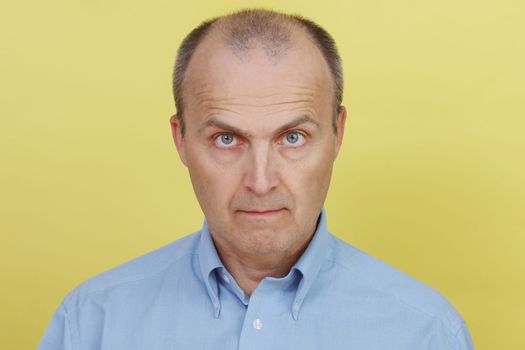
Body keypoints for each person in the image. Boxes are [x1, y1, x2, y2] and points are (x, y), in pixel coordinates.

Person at [39, 9, 474, 350]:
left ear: (338, 133)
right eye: (227, 138)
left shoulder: (426, 333)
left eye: (292, 137)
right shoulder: (92, 323)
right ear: (181, 139)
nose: (261, 181)